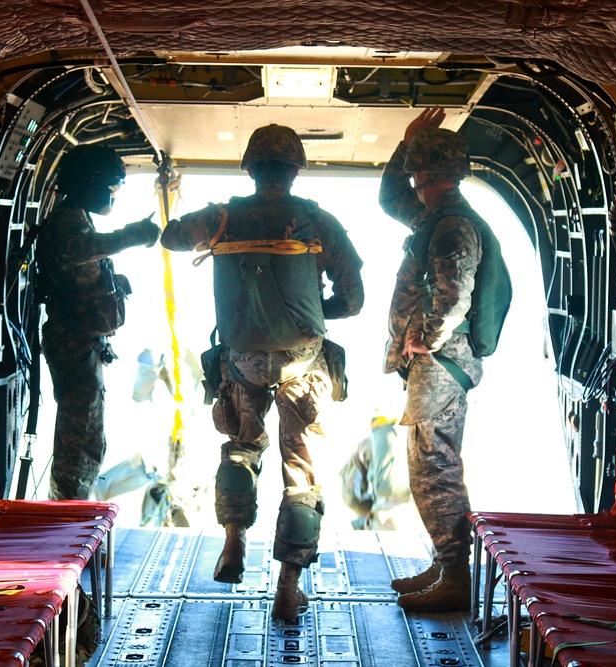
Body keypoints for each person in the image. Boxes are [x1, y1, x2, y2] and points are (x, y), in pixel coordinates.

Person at [161, 124, 364, 620]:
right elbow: (353, 299)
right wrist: (314, 311)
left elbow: (169, 237)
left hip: (242, 361)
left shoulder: (221, 218)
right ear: (295, 170)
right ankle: (288, 587)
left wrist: (213, 227)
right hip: (303, 363)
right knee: (301, 473)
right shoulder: (318, 222)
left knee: (241, 447)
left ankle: (234, 541)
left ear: (250, 169)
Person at [378, 107, 482, 613]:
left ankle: (456, 576)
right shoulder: (436, 216)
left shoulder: (451, 225)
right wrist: (408, 143)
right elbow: (389, 199)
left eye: (414, 167)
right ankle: (446, 564)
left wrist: (428, 340)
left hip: (440, 365)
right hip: (435, 366)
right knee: (430, 464)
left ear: (423, 173)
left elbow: (455, 292)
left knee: (433, 468)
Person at [36, 143, 161, 500]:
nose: (115, 194)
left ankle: (70, 510)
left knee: (87, 435)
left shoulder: (76, 217)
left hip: (82, 343)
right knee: (81, 439)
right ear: (91, 183)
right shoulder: (66, 221)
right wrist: (134, 235)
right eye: (112, 186)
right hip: (74, 343)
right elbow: (82, 250)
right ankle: (66, 516)